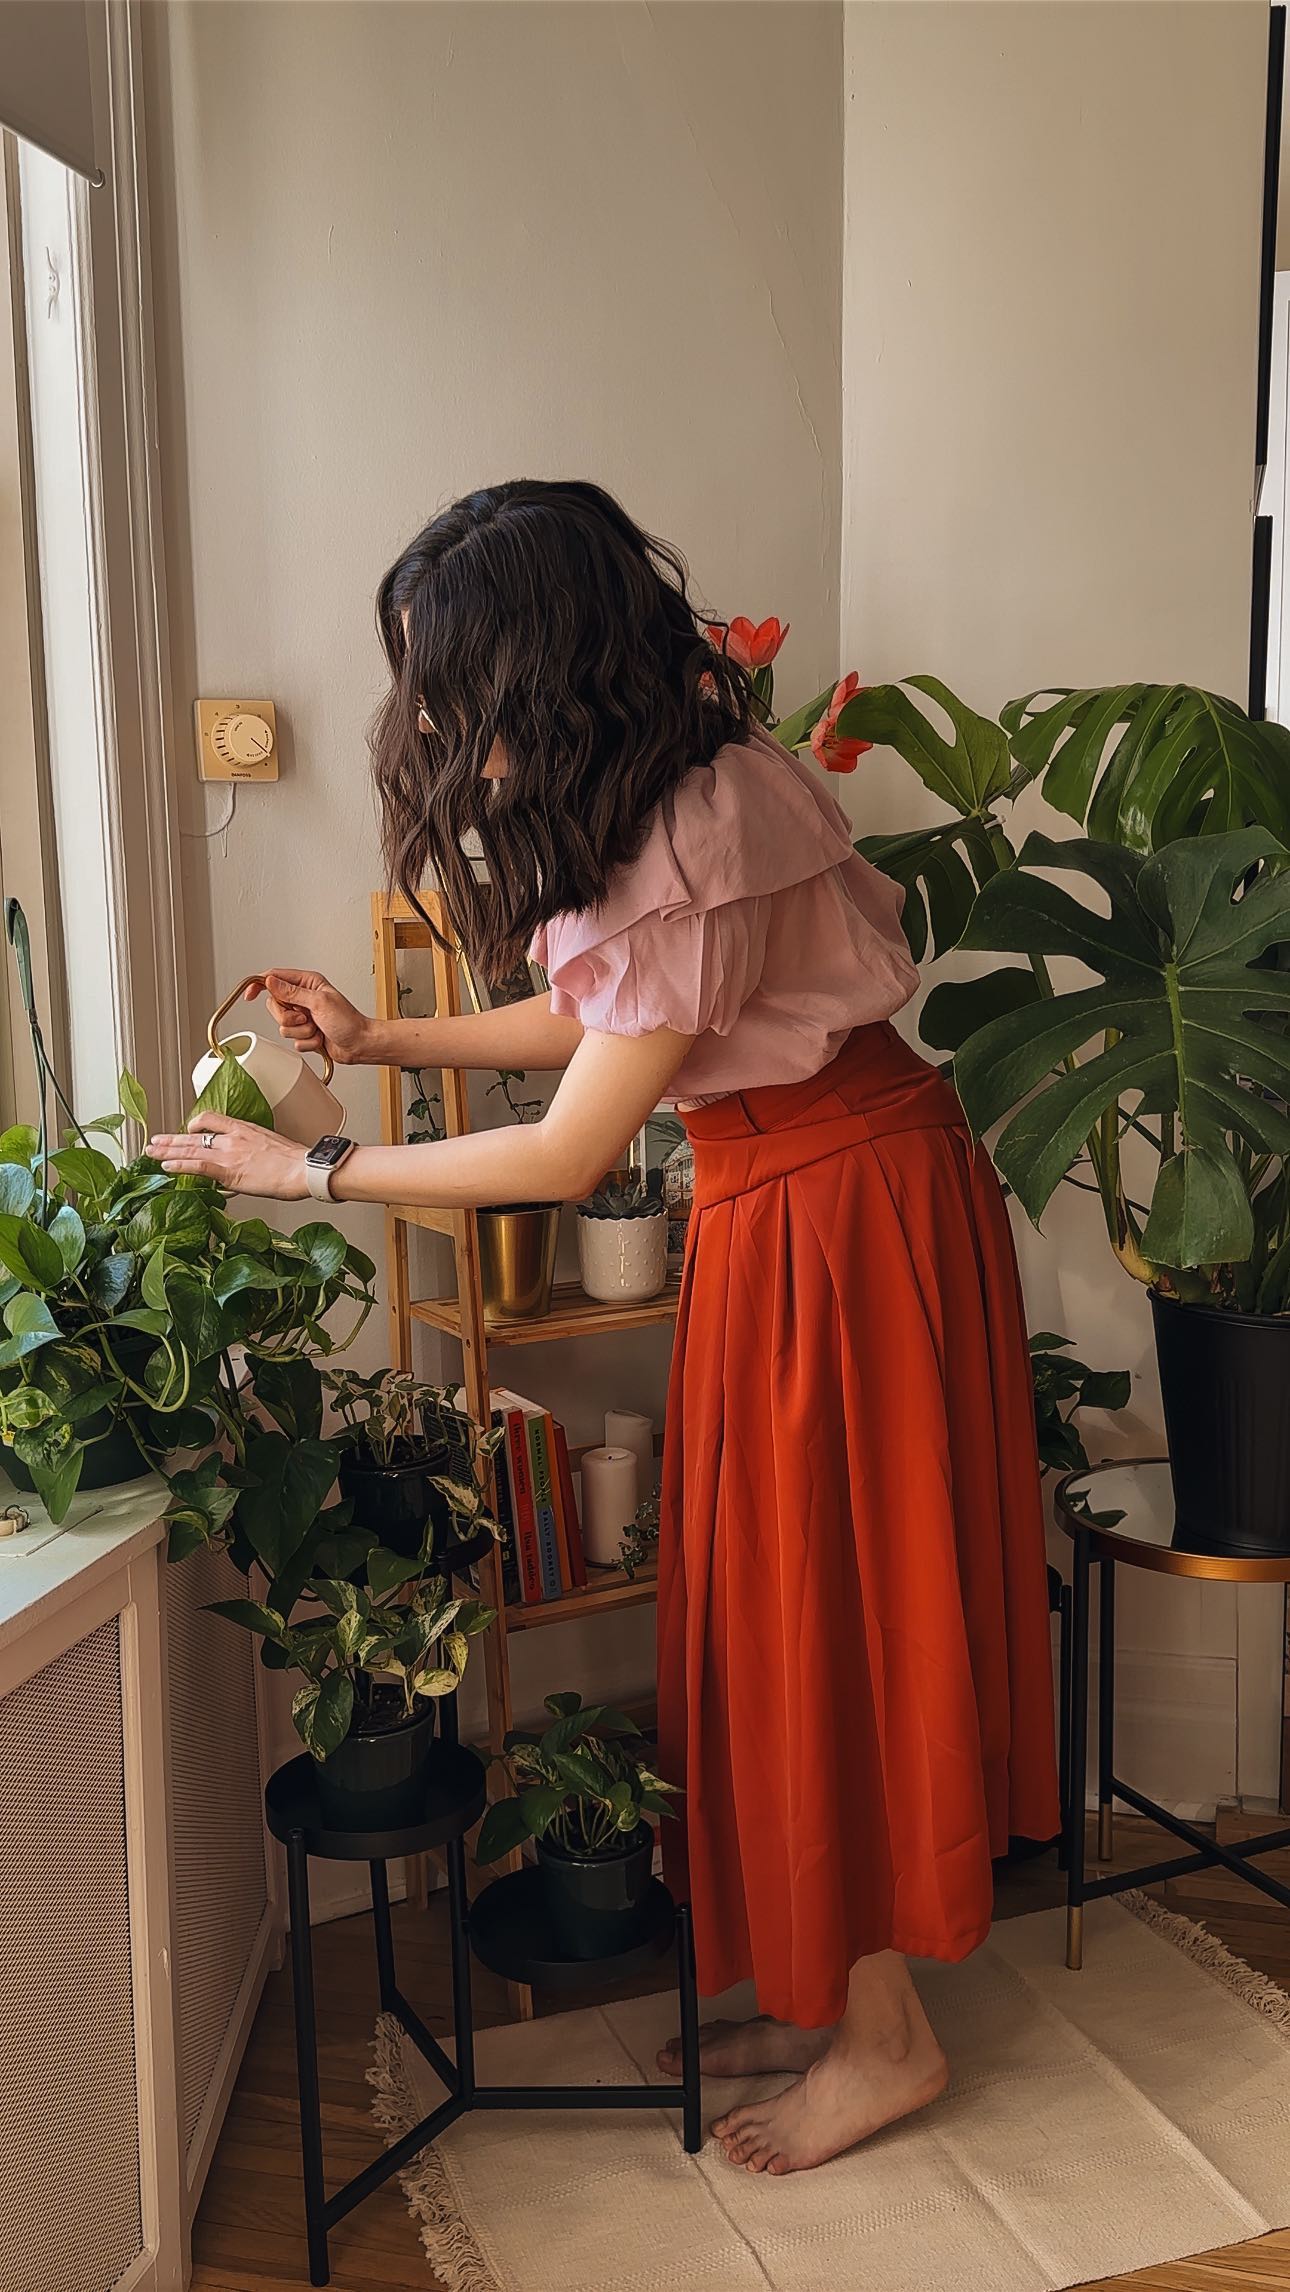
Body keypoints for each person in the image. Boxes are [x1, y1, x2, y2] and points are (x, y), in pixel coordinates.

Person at [151, 479, 1059, 2176]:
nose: (432, 720)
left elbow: (569, 1151)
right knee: (799, 1605)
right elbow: (609, 1023)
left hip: (832, 1212)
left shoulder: (688, 825)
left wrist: (311, 1167)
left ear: (535, 663)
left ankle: (885, 2040)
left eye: (447, 678)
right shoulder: (695, 782)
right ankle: (835, 1995)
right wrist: (386, 1042)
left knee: (814, 1617)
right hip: (833, 1187)